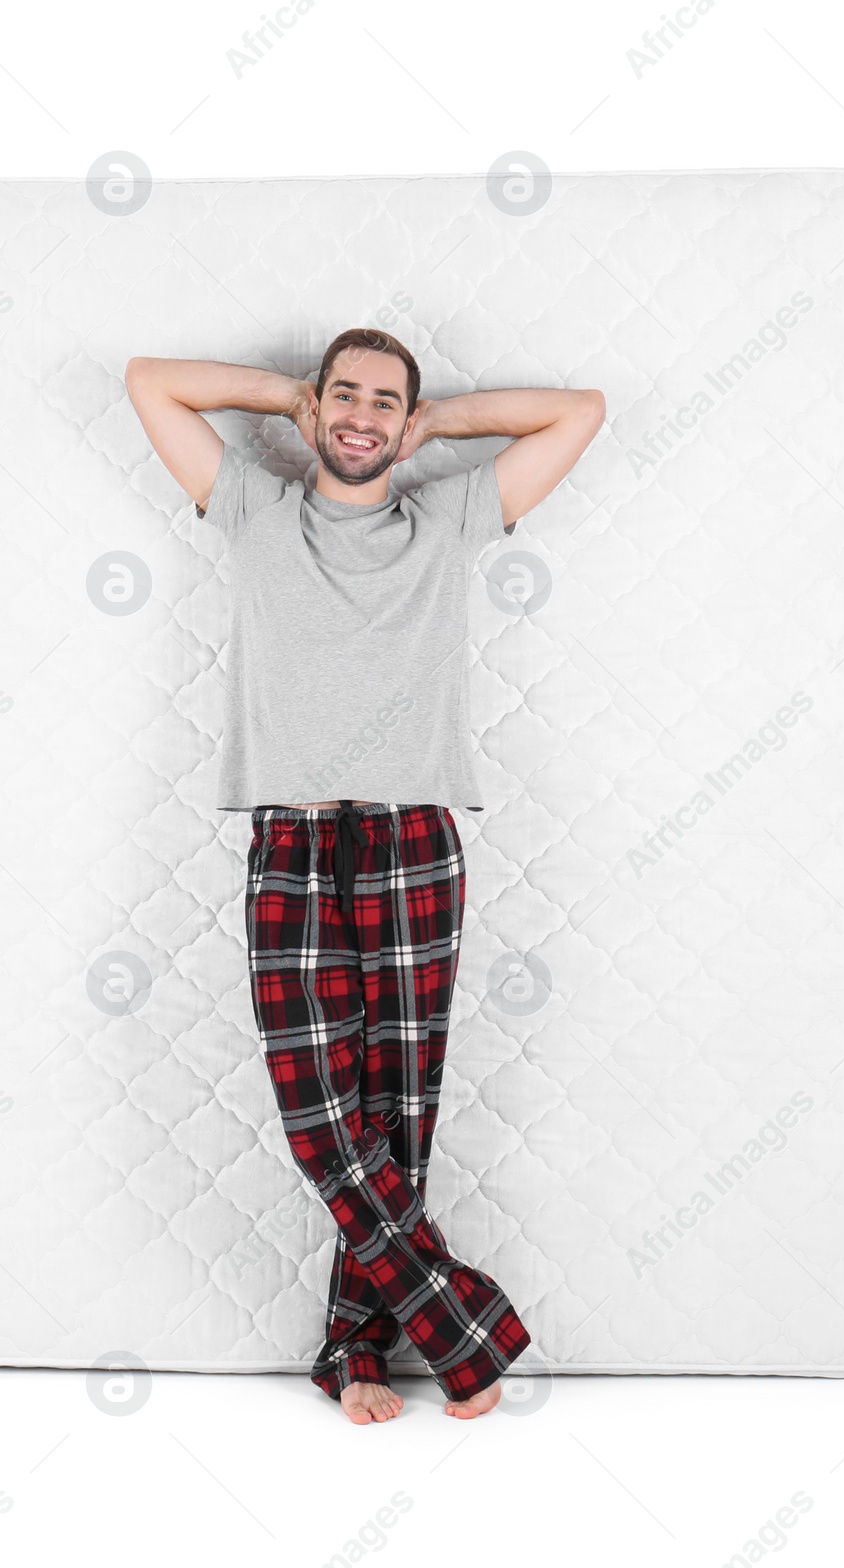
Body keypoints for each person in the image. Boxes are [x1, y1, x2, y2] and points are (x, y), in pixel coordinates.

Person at [125, 329, 605, 1422]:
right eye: (346, 394)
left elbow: (578, 407)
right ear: (319, 406)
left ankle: (355, 1349)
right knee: (318, 1119)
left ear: (405, 420)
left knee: (395, 1114)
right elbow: (149, 382)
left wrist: (437, 422)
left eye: (385, 401)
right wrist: (290, 397)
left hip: (411, 839)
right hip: (289, 841)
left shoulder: (444, 520)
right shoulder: (252, 508)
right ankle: (459, 1321)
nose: (361, 414)